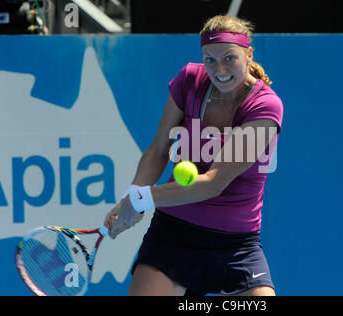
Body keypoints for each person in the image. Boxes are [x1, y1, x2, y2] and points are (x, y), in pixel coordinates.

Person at [104, 15, 284, 296]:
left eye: (229, 58)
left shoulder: (265, 106)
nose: (219, 69)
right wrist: (132, 193)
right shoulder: (189, 79)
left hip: (236, 246)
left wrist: (140, 199)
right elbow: (159, 149)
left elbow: (214, 183)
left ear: (249, 55)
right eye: (209, 60)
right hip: (173, 235)